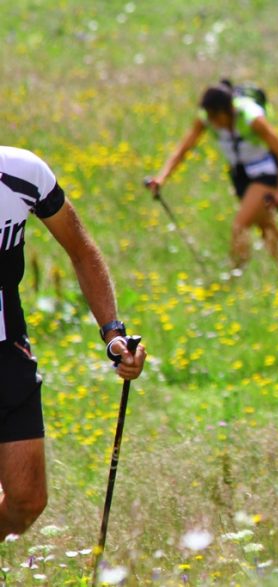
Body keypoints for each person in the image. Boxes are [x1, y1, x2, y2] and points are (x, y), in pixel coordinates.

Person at [0, 146, 146, 539]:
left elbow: (81, 250)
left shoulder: (21, 172)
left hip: (7, 352)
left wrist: (113, 336)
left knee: (27, 501)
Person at [146, 81, 278, 274]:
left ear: (229, 110)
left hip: (265, 173)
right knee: (265, 224)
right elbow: (183, 150)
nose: (214, 123)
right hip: (241, 176)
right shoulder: (207, 118)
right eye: (210, 117)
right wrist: (161, 178)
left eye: (217, 117)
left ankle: (235, 274)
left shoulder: (252, 119)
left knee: (240, 225)